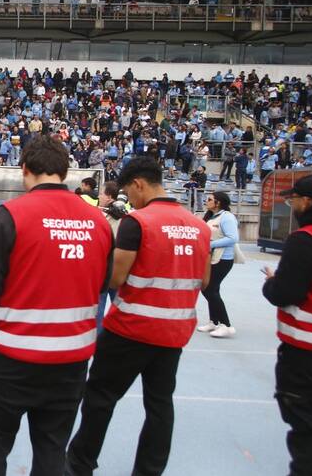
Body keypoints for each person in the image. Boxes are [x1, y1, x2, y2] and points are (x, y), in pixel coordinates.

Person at [0, 136, 113, 476]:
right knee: (51, 450)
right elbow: (102, 286)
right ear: (65, 172)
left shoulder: (10, 215)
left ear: (24, 170)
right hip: (70, 360)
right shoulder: (98, 222)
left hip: (10, 356)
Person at [65, 156, 211, 476]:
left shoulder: (139, 222)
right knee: (160, 404)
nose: (128, 200)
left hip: (131, 329)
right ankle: (149, 470)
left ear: (138, 184)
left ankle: (79, 464)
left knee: (100, 397)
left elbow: (116, 278)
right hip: (174, 331)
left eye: (128, 192)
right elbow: (204, 281)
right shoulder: (199, 226)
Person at [262, 175, 312, 476]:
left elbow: (285, 293)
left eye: (294, 200)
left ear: (307, 202)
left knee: (309, 428)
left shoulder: (307, 239)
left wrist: (272, 282)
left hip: (310, 351)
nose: (292, 206)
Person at [196, 191, 240, 338]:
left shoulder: (227, 217)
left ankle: (226, 325)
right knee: (212, 289)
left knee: (209, 289)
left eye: (209, 199)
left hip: (222, 259)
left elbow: (233, 238)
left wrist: (211, 244)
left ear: (218, 202)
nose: (206, 201)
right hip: (211, 258)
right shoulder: (211, 216)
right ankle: (214, 321)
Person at [96, 181, 127, 331]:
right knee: (120, 310)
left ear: (109, 197)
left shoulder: (115, 214)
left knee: (100, 311)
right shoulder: (120, 214)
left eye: (101, 193)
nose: (99, 196)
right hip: (117, 269)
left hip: (107, 269)